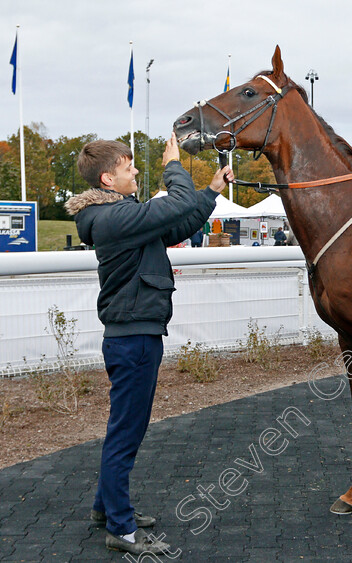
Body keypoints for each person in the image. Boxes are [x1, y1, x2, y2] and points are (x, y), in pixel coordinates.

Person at [65, 135, 233, 556]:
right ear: (108, 177)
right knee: (126, 431)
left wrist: (211, 192)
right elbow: (174, 203)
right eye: (127, 167)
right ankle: (120, 530)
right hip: (134, 338)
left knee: (125, 428)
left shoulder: (119, 215)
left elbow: (177, 222)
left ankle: (107, 508)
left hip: (135, 334)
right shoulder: (112, 218)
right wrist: (172, 164)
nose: (134, 172)